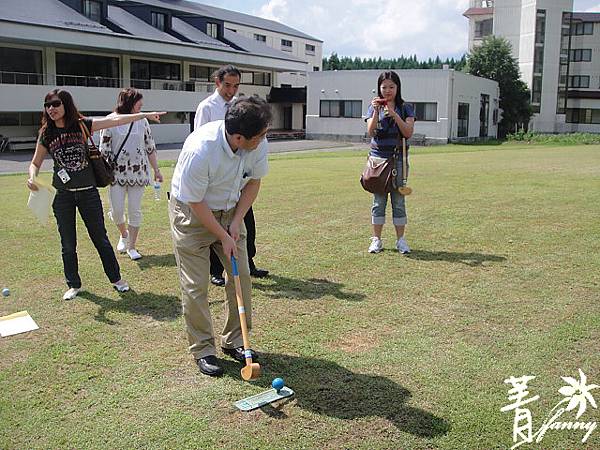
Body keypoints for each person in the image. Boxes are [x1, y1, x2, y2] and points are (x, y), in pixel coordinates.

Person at [26, 88, 165, 301]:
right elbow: (35, 163)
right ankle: (73, 284)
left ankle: (116, 279)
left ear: (66, 105)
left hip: (88, 193)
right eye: (48, 105)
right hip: (63, 196)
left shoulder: (82, 125)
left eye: (55, 104)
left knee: (100, 238)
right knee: (67, 243)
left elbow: (116, 121)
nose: (51, 109)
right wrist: (32, 177)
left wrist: (143, 115)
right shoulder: (47, 133)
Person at [169, 96, 271, 376]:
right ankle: (203, 348)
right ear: (239, 137)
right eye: (260, 136)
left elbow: (253, 181)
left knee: (241, 277)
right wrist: (221, 235)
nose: (264, 140)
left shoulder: (257, 142)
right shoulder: (201, 150)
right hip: (192, 214)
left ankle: (235, 341)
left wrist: (236, 222)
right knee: (196, 285)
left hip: (230, 209)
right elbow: (195, 202)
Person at [194, 65, 269, 287]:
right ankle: (216, 270)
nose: (231, 90)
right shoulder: (206, 107)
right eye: (227, 85)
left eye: (236, 86)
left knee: (246, 224)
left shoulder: (239, 105)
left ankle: (248, 262)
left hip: (239, 177)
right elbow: (199, 140)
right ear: (217, 82)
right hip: (215, 177)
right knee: (215, 229)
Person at [99, 88, 163, 260]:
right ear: (128, 102)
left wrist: (156, 169)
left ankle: (132, 246)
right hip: (116, 174)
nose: (141, 106)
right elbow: (103, 150)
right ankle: (123, 233)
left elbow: (150, 147)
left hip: (139, 173)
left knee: (135, 210)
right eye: (138, 103)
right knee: (117, 210)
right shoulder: (110, 121)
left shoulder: (142, 121)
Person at [365, 71, 415, 254]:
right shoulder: (373, 107)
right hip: (378, 160)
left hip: (398, 159)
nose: (387, 91)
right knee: (378, 201)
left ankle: (401, 240)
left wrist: (393, 114)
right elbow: (370, 131)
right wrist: (377, 112)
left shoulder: (406, 108)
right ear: (379, 87)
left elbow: (408, 132)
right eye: (384, 87)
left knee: (398, 201)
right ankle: (376, 240)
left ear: (398, 88)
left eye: (391, 87)